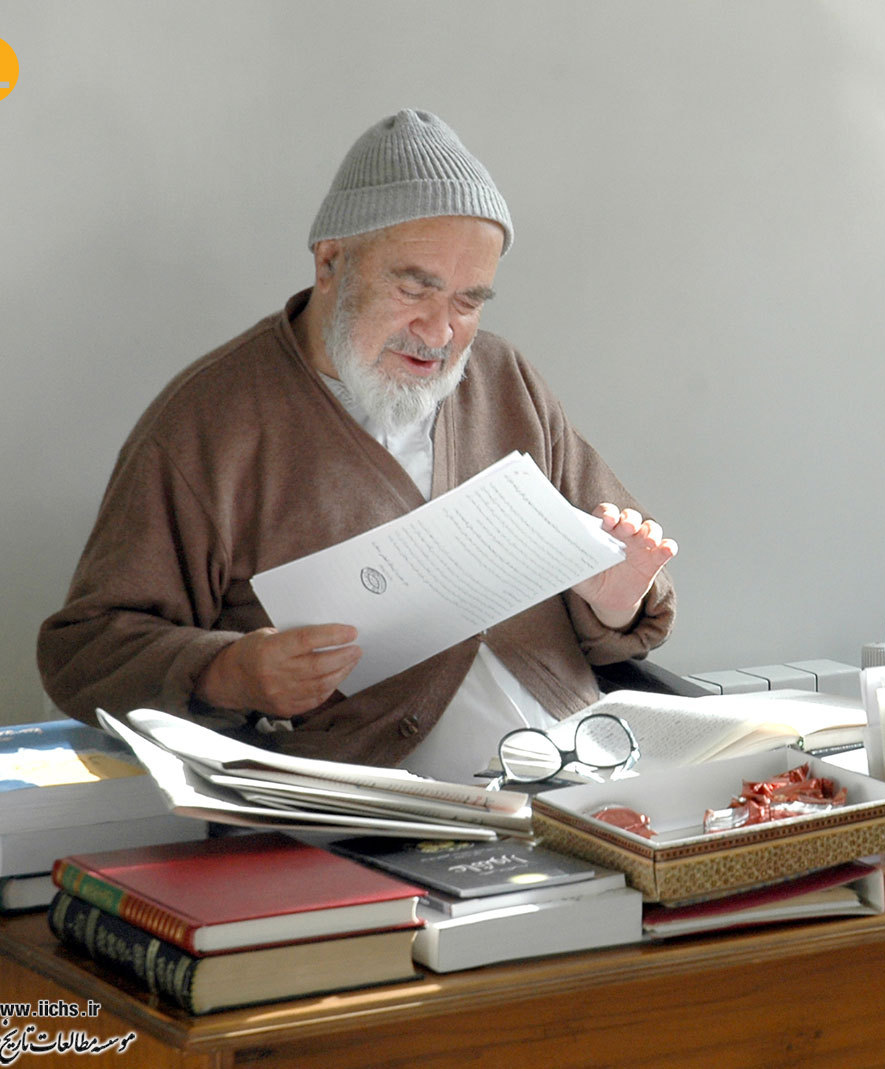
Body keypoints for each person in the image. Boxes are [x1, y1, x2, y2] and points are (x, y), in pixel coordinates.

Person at [37, 110, 677, 779]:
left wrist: (615, 601)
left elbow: (623, 611)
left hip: (588, 772)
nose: (439, 332)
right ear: (330, 262)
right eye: (413, 289)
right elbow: (85, 652)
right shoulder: (208, 423)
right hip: (372, 811)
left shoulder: (503, 379)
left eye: (468, 302)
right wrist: (230, 671)